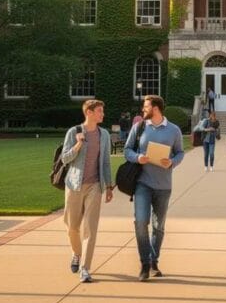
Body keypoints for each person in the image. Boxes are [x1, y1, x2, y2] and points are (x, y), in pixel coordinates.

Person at [124, 94, 185, 282]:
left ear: (156, 108)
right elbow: (127, 150)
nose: (143, 109)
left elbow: (180, 152)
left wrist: (172, 162)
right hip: (143, 182)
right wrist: (137, 158)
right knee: (141, 222)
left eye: (146, 106)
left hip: (164, 185)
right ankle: (145, 263)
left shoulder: (174, 130)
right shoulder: (139, 127)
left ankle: (153, 260)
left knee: (158, 227)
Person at [59, 99, 115, 283]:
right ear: (89, 112)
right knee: (72, 227)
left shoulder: (104, 134)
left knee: (90, 229)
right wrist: (78, 145)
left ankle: (85, 268)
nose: (103, 114)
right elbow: (65, 159)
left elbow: (106, 161)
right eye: (99, 111)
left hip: (95, 186)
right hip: (74, 185)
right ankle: (76, 253)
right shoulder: (73, 132)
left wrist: (108, 186)